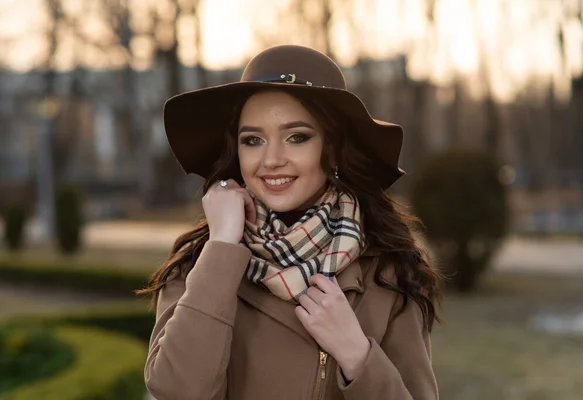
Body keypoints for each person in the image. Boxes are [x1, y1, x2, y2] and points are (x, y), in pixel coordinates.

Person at [137, 45, 443, 400]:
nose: (271, 160)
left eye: (296, 137)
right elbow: (176, 390)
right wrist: (221, 246)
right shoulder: (198, 266)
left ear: (332, 147)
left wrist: (357, 354)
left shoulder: (389, 273)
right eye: (253, 140)